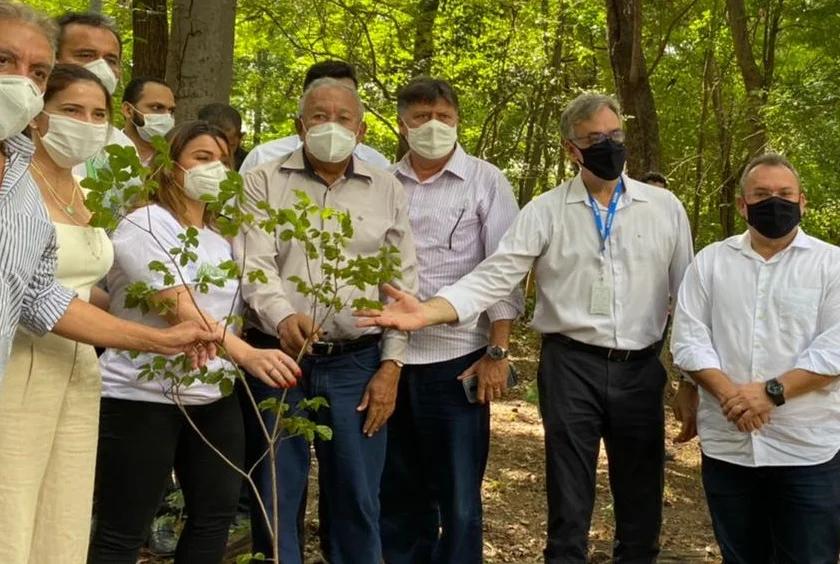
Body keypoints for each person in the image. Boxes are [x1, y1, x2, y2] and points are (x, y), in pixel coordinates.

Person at [356, 92, 694, 563]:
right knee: (569, 499)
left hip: (640, 366)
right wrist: (430, 311)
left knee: (641, 497)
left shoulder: (665, 208)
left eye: (615, 135)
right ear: (570, 148)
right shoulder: (546, 210)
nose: (609, 145)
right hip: (570, 364)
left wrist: (690, 377)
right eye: (595, 138)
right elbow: (496, 274)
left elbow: (690, 298)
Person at [88, 121, 301, 563]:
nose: (215, 168)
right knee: (123, 528)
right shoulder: (144, 222)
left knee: (214, 517)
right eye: (202, 158)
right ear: (171, 166)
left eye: (223, 161)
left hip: (212, 393)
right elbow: (174, 303)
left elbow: (231, 311)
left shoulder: (221, 238)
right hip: (141, 394)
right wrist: (244, 353)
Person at [234, 77, 418, 564]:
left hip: (357, 362)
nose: (331, 126)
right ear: (299, 125)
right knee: (276, 492)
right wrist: (282, 315)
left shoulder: (387, 189)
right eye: (319, 116)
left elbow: (401, 284)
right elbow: (255, 263)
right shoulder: (263, 180)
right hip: (278, 359)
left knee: (358, 496)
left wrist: (392, 366)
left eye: (343, 118)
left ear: (360, 132)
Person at [0, 1, 215, 389]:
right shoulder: (28, 173)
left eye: (36, 71)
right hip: (24, 362)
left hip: (78, 354)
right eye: (3, 61)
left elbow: (37, 293)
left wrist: (154, 335)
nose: (21, 82)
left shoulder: (21, 177)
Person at [380, 77, 523, 564]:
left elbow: (505, 271)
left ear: (458, 120)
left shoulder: (486, 181)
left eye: (443, 116)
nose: (433, 126)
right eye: (421, 117)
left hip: (457, 360)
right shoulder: (381, 181)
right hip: (389, 360)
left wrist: (496, 353)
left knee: (460, 498)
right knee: (398, 489)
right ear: (402, 126)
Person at [671, 153, 840, 563]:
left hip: (807, 450)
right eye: (761, 194)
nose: (774, 202)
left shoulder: (831, 264)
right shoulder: (711, 261)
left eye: (784, 194)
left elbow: (834, 346)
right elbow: (689, 339)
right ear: (742, 205)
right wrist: (734, 397)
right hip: (729, 447)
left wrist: (770, 393)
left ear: (802, 202)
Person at [0, 63, 114, 564]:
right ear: (39, 114)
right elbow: (35, 293)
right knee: (10, 516)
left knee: (62, 523)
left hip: (81, 366)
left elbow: (87, 286)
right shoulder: (14, 184)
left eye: (97, 114)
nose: (86, 123)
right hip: (20, 362)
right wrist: (146, 338)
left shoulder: (90, 193)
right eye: (72, 110)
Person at [238, 61, 390, 172]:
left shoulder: (378, 166)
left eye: (346, 94)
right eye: (321, 114)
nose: (332, 124)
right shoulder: (264, 158)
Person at [54, 12, 140, 179]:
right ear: (51, 59)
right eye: (86, 55)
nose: (101, 66)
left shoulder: (121, 146)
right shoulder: (19, 138)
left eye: (111, 60)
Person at [122, 76, 176, 166]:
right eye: (156, 108)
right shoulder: (101, 151)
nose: (166, 116)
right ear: (128, 110)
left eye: (171, 110)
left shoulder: (176, 159)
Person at [197, 103, 249, 171]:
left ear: (240, 138)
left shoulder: (249, 164)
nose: (222, 152)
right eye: (213, 145)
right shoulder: (188, 161)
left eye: (229, 146)